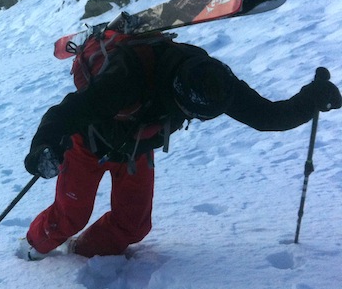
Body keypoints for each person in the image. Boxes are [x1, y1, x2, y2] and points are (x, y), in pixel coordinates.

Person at [19, 33, 341, 260]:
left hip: (136, 147)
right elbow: (67, 112)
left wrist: (311, 99)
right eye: (189, 112)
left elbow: (267, 116)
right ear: (178, 94)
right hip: (89, 144)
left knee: (134, 224)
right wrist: (43, 146)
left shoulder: (215, 82)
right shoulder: (126, 77)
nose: (190, 118)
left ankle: (83, 254)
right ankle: (33, 245)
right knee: (70, 217)